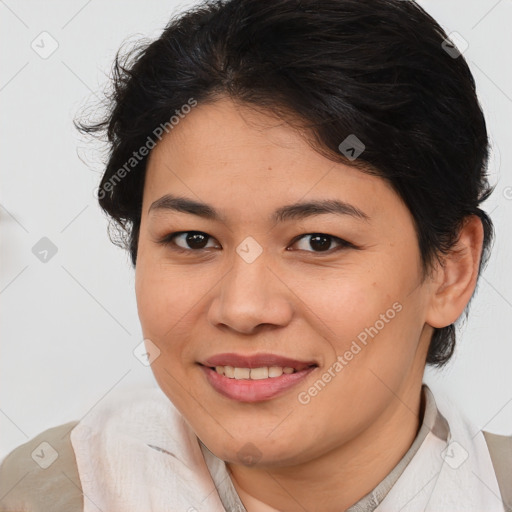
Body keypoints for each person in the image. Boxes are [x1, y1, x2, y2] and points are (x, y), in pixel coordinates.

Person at [1, 0, 510, 511]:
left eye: (318, 242)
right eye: (194, 240)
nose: (243, 309)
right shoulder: (43, 494)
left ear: (451, 269)